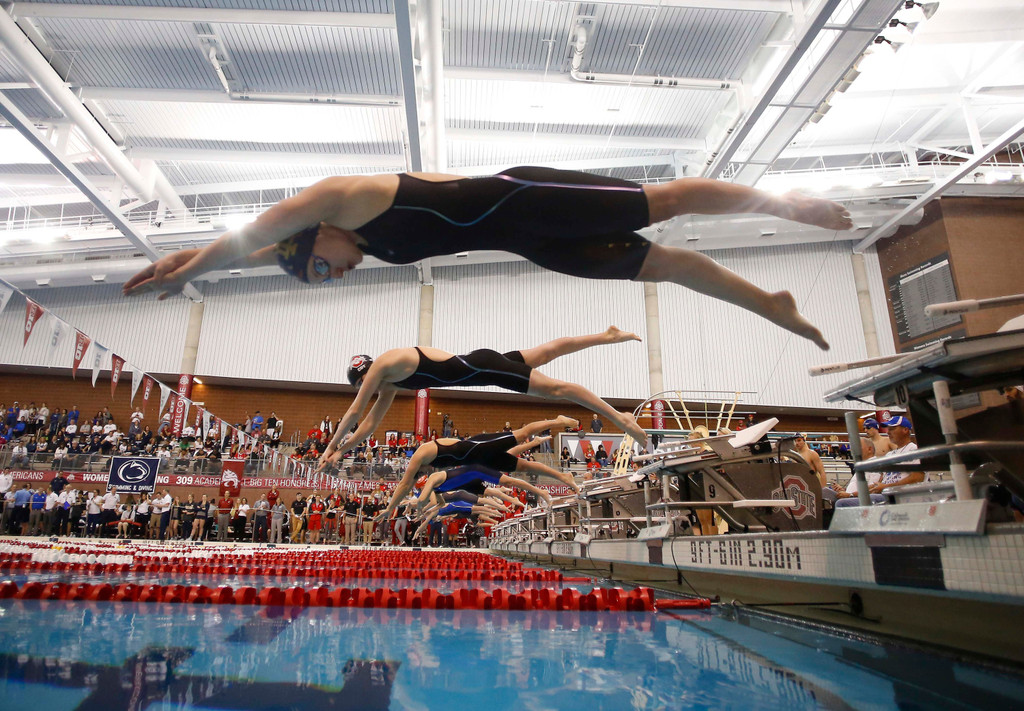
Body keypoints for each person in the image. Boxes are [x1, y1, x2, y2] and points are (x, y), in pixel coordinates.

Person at [122, 167, 849, 351]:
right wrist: (178, 262)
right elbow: (258, 255)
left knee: (669, 199)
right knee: (666, 269)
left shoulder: (337, 199)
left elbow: (254, 237)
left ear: (314, 237)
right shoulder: (358, 241)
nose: (334, 276)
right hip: (529, 240)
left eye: (321, 270)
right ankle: (773, 306)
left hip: (527, 197)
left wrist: (190, 269)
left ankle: (788, 204)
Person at [319, 328, 646, 468]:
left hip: (483, 367)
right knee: (546, 352)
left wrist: (330, 446)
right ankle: (606, 336)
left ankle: (620, 418)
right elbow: (369, 425)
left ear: (365, 373)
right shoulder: (390, 383)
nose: (366, 387)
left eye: (362, 382)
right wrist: (341, 451)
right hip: (482, 364)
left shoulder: (385, 365)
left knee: (559, 389)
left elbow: (354, 412)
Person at [375, 416, 578, 524]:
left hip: (478, 447)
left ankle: (557, 421)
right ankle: (563, 476)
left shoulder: (421, 454)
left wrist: (391, 507)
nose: (427, 472)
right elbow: (408, 487)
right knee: (522, 466)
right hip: (481, 458)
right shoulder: (428, 466)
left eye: (422, 473)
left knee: (522, 434)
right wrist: (391, 508)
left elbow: (404, 483)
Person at [836, 416, 923, 507]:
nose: (888, 432)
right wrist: (850, 494)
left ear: (905, 430)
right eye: (888, 429)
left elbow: (917, 479)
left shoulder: (913, 450)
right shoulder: (890, 455)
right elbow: (877, 485)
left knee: (842, 504)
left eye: (892, 428)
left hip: (900, 496)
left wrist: (885, 487)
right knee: (833, 497)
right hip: (884, 495)